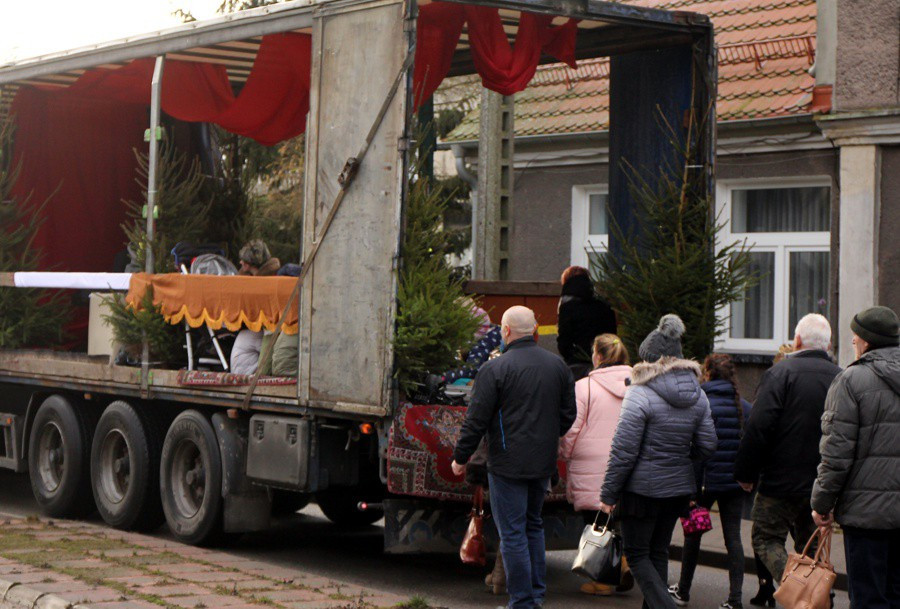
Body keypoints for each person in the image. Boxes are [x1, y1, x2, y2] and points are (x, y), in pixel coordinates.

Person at [451, 305, 577, 609]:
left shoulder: (494, 369)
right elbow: (568, 415)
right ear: (535, 331)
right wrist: (547, 437)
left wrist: (460, 457)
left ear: (505, 331)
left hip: (507, 464)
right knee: (533, 525)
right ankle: (535, 595)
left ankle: (521, 601)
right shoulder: (558, 366)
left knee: (513, 533)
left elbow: (476, 420)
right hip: (542, 462)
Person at [599, 314, 717, 609]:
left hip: (641, 491)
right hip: (678, 489)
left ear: (649, 360)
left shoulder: (639, 393)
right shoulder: (698, 394)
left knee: (637, 555)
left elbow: (624, 450)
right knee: (659, 552)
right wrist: (679, 458)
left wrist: (608, 494)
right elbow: (708, 444)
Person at [734, 313, 841, 584]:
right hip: (821, 483)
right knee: (811, 546)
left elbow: (758, 426)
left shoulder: (780, 374)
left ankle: (797, 589)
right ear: (828, 345)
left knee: (765, 538)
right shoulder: (841, 378)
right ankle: (818, 595)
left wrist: (746, 473)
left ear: (797, 340)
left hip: (779, 482)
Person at [811, 306, 900, 609]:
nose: (853, 341)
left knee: (868, 599)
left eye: (855, 336)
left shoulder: (851, 380)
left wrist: (822, 503)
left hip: (866, 515)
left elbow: (836, 452)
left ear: (866, 341)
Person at [669, 353, 752, 609]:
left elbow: (693, 450)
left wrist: (691, 491)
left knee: (693, 535)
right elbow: (751, 446)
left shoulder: (700, 403)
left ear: (707, 373)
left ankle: (683, 591)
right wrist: (747, 478)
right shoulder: (744, 407)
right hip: (734, 485)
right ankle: (735, 599)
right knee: (733, 539)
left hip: (704, 483)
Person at [559, 333, 632, 596]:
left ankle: (602, 581)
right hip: (628, 461)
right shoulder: (639, 384)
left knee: (596, 522)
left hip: (591, 463)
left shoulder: (584, 387)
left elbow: (572, 429)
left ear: (598, 356)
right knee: (619, 518)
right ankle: (623, 563)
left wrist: (564, 453)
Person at [557, 266, 616, 379]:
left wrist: (572, 356)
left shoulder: (567, 307)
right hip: (604, 363)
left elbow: (564, 341)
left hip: (577, 365)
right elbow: (612, 336)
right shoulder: (604, 307)